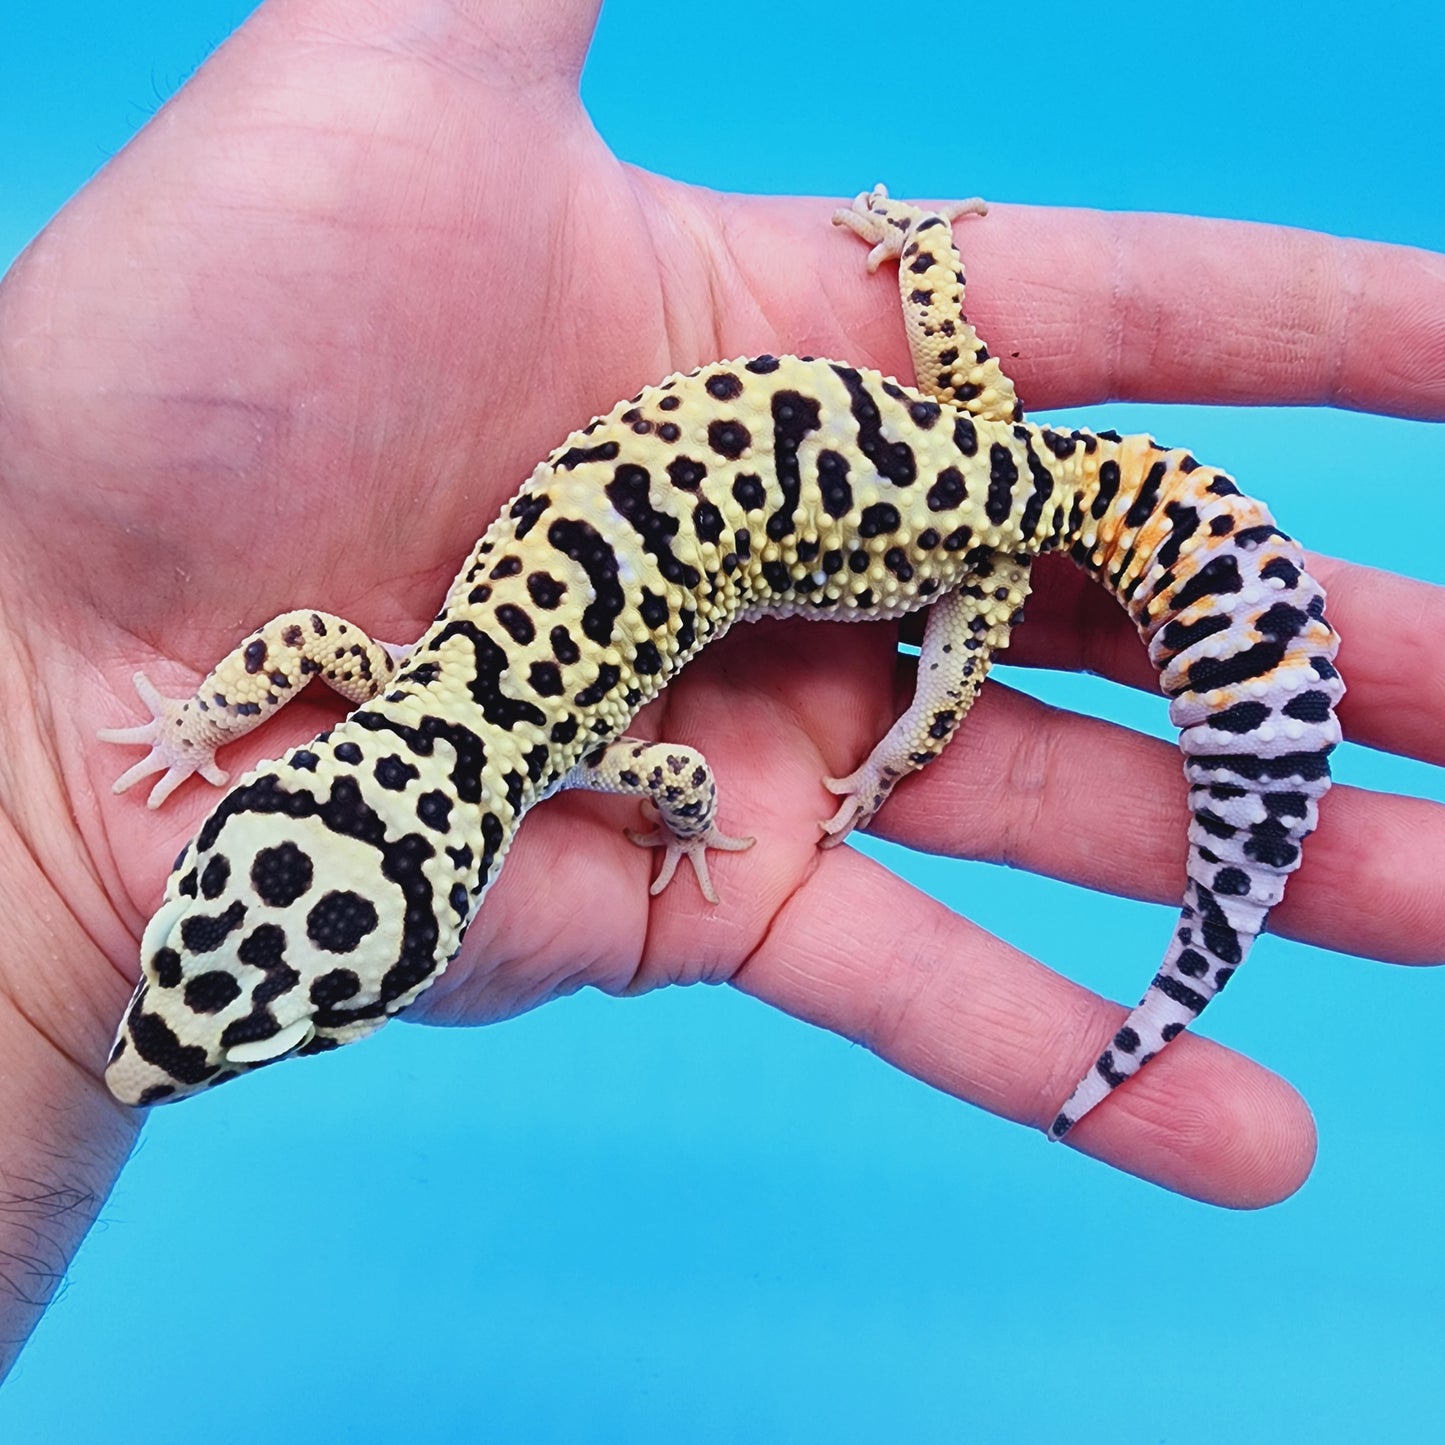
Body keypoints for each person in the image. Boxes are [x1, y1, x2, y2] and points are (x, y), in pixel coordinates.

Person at [1, 0, 1442, 1375]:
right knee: (938, 677)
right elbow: (322, 646)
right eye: (275, 1018)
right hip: (944, 452)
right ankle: (1190, 864)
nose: (144, 1055)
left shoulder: (560, 742)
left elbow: (661, 772)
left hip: (963, 519)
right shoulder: (399, 687)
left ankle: (1179, 902)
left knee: (932, 692)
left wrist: (859, 776)